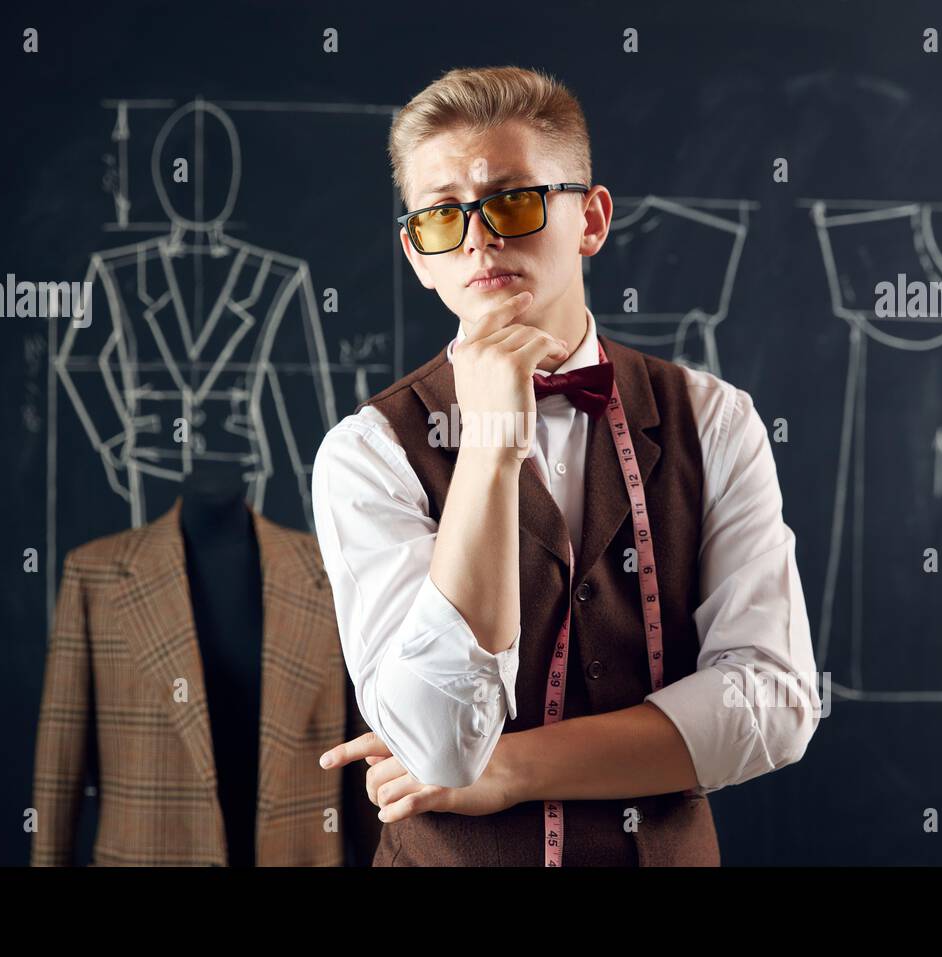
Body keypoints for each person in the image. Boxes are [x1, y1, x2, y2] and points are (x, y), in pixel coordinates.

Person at [311, 65, 820, 866]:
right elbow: (441, 745)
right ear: (417, 253)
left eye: (513, 200)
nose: (479, 237)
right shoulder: (367, 451)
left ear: (590, 218)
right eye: (443, 215)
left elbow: (773, 702)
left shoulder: (714, 417)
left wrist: (509, 769)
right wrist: (488, 447)